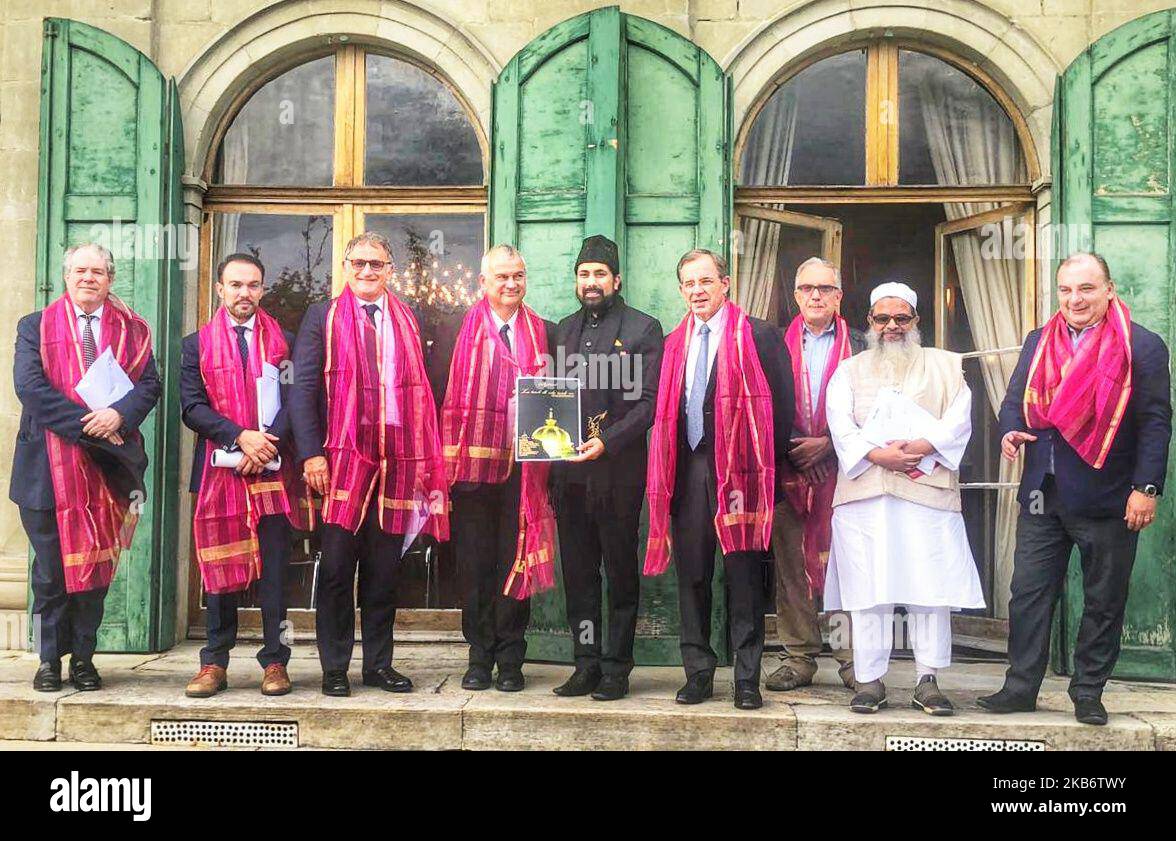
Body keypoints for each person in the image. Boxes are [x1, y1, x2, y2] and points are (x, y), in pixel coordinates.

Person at [978, 252, 1171, 726]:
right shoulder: (1038, 342)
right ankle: (1020, 687)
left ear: (1109, 289)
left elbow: (1155, 423)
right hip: (1043, 492)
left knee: (1104, 598)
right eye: (1066, 290)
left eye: (1085, 288)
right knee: (1027, 592)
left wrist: (1146, 488)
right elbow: (1013, 404)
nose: (1074, 299)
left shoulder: (1140, 346)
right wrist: (1008, 431)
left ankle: (1088, 692)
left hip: (1108, 496)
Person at [291, 232, 449, 697]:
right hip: (341, 461)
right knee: (338, 568)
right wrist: (310, 453)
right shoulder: (322, 316)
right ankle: (335, 668)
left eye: (376, 264)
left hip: (397, 460)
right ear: (345, 266)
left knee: (385, 571)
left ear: (390, 271)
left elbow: (424, 387)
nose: (366, 272)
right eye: (358, 263)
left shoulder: (409, 317)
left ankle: (378, 665)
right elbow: (302, 390)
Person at [824, 282, 984, 715]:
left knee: (930, 586)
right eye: (882, 318)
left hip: (926, 493)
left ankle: (927, 679)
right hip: (865, 495)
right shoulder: (849, 370)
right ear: (870, 323)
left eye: (902, 318)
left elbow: (958, 423)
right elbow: (840, 426)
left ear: (916, 322)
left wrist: (918, 450)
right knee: (868, 586)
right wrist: (878, 455)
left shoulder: (947, 366)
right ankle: (870, 680)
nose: (892, 326)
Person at [644, 248, 793, 711]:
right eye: (688, 284)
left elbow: (783, 409)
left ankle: (746, 679)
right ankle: (699, 672)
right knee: (692, 575)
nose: (697, 291)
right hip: (688, 471)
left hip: (741, 472)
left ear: (725, 284)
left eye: (705, 281)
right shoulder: (673, 343)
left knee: (743, 574)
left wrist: (771, 474)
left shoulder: (760, 335)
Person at [14, 243, 161, 692]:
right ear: (66, 276)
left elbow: (150, 384)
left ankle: (83, 658)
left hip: (107, 470)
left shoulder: (132, 331)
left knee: (95, 572)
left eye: (98, 272)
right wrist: (89, 427)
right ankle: (48, 661)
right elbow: (30, 388)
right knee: (50, 574)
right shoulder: (35, 326)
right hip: (45, 471)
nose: (88, 278)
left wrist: (118, 415)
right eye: (80, 270)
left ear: (109, 280)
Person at [181, 253, 312, 698]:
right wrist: (240, 436)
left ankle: (275, 661)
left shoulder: (284, 342)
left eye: (253, 285)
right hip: (220, 473)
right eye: (235, 285)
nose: (244, 293)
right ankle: (214, 663)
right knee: (219, 572)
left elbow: (298, 399)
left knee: (276, 573)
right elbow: (192, 408)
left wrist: (266, 442)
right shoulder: (195, 344)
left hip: (273, 472)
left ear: (262, 289)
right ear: (220, 289)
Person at [549, 235, 663, 701]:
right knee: (577, 575)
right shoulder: (562, 329)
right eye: (583, 274)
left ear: (616, 280)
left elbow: (651, 404)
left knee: (619, 573)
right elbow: (549, 392)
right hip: (569, 475)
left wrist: (607, 441)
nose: (591, 282)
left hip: (618, 473)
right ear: (576, 281)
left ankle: (617, 667)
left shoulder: (643, 328)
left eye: (599, 274)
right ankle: (586, 664)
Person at [441, 244, 557, 693]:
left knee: (516, 560)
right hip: (469, 470)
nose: (511, 284)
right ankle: (478, 657)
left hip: (524, 473)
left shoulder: (545, 332)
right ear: (483, 282)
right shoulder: (454, 329)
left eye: (518, 276)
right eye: (502, 277)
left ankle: (511, 659)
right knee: (474, 565)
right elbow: (436, 393)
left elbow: (560, 397)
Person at [767, 257, 865, 694]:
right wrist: (795, 446)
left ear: (839, 296)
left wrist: (828, 444)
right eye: (807, 288)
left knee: (845, 568)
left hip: (847, 473)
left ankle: (851, 659)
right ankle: (799, 657)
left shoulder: (863, 345)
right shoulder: (771, 342)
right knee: (791, 567)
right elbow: (761, 402)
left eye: (825, 288)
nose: (815, 296)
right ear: (796, 295)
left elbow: (879, 411)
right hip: (789, 468)